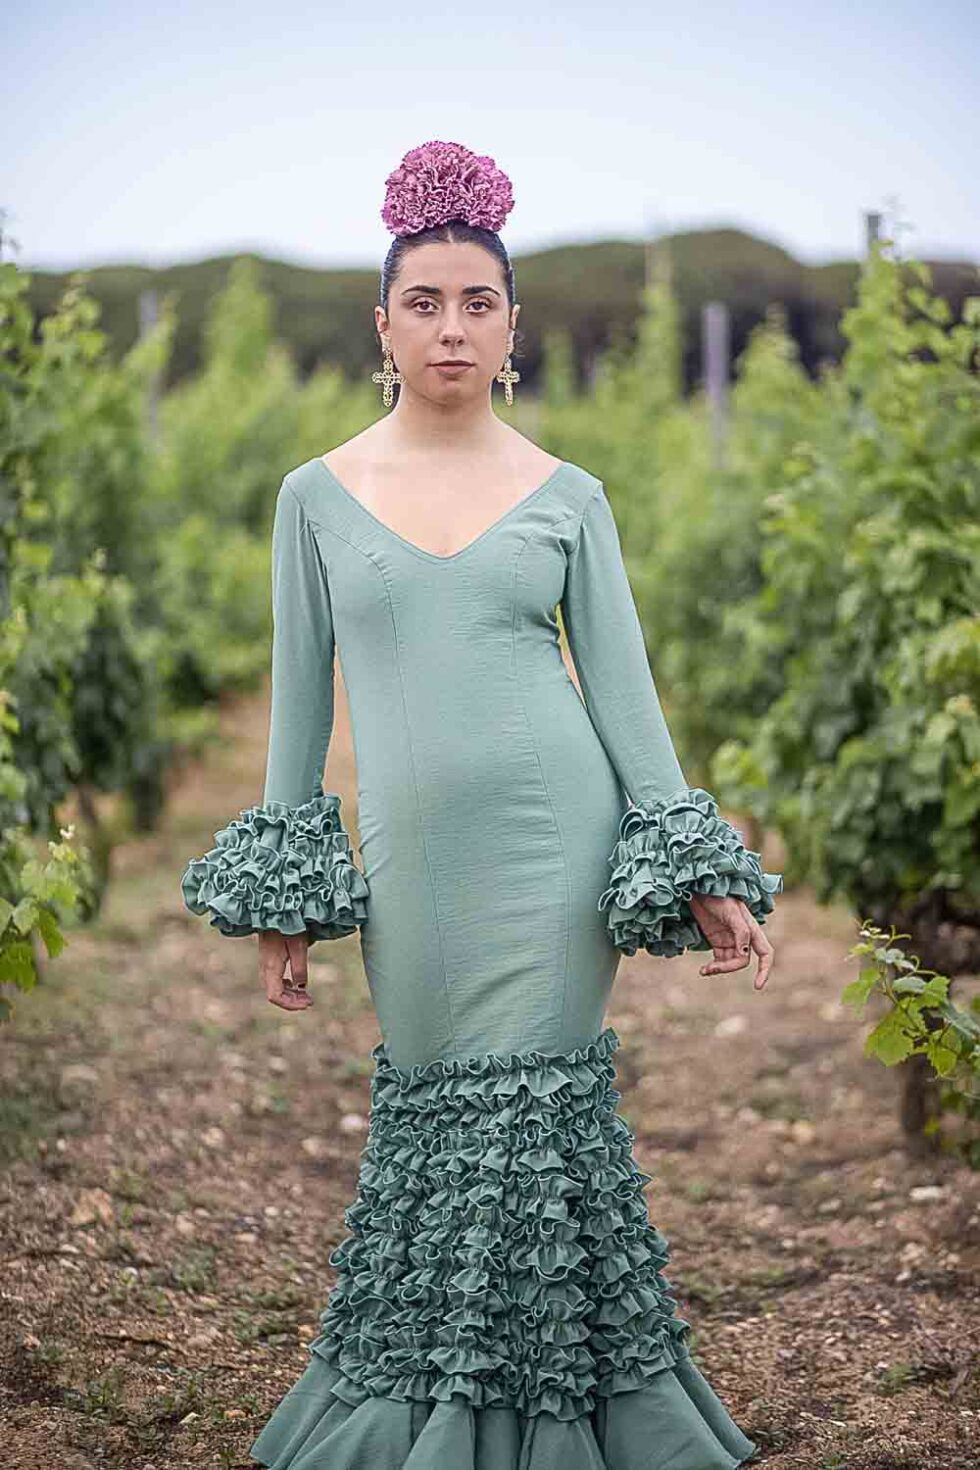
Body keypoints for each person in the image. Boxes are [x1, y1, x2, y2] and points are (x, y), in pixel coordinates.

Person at [180, 139, 781, 1469]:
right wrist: (287, 908)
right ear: (382, 325)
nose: (452, 326)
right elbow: (296, 710)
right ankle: (432, 1402)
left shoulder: (570, 497)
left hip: (552, 866)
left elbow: (628, 704)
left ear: (511, 327)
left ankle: (540, 1427)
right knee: (440, 1119)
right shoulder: (313, 500)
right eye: (426, 302)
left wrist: (701, 866)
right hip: (415, 878)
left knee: (535, 1129)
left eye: (478, 303)